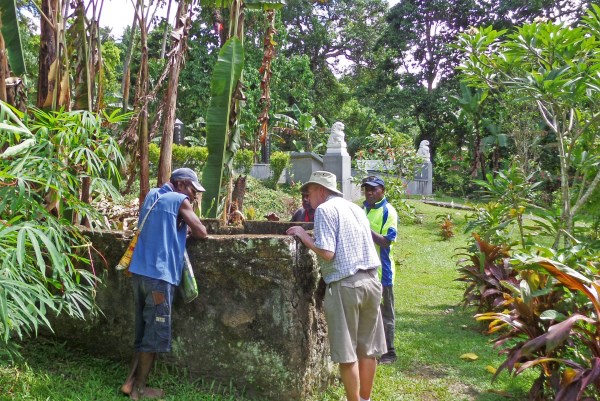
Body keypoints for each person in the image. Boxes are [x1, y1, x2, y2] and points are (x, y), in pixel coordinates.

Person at [286, 171, 386, 401]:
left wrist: (303, 235)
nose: (307, 197)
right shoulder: (356, 208)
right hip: (371, 281)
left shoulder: (324, 210)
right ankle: (365, 399)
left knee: (347, 352)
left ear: (321, 190)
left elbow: (327, 253)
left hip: (346, 285)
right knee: (368, 349)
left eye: (309, 192)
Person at [121, 168, 208, 400]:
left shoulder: (152, 195)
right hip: (159, 278)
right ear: (180, 184)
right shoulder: (179, 200)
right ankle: (139, 390)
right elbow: (202, 232)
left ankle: (129, 382)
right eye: (192, 190)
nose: (194, 196)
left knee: (142, 331)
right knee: (153, 335)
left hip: (139, 272)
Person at [361, 176, 398, 364]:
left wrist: (364, 228)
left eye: (374, 189)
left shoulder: (388, 211)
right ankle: (370, 348)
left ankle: (389, 352)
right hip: (363, 268)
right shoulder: (361, 210)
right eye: (367, 189)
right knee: (368, 310)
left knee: (386, 312)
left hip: (383, 272)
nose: (369, 192)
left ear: (382, 190)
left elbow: (386, 241)